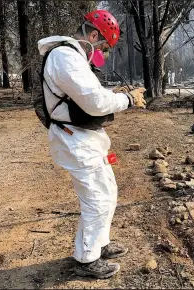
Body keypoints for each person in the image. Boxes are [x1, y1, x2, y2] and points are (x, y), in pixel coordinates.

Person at [37, 10, 146, 279]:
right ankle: (87, 259)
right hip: (75, 140)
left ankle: (100, 242)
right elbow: (94, 103)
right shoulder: (65, 57)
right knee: (96, 199)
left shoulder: (71, 57)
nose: (103, 54)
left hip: (85, 138)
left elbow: (88, 95)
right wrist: (127, 100)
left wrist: (115, 94)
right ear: (93, 35)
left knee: (107, 189)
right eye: (103, 47)